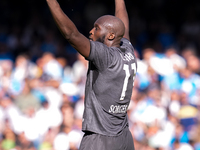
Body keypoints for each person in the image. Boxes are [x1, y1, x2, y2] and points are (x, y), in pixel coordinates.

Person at [46, 0, 137, 149]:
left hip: (100, 138)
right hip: (124, 137)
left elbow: (71, 35)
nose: (91, 31)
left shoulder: (106, 56)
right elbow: (122, 23)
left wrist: (52, 3)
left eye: (96, 28)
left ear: (110, 36)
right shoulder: (128, 48)